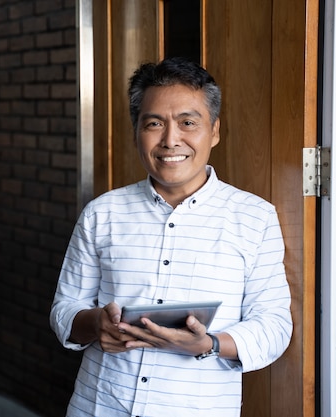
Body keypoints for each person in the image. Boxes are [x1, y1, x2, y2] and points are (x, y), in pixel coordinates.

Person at [50, 57, 292, 417]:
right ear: (137, 131)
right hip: (98, 406)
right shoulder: (103, 213)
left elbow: (274, 325)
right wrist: (96, 324)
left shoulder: (254, 217)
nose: (170, 140)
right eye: (154, 124)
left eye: (188, 123)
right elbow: (64, 309)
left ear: (214, 131)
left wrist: (208, 344)